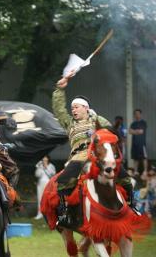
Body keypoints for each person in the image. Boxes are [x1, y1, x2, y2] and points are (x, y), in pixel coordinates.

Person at [52, 73, 134, 226]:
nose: (73, 110)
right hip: (79, 155)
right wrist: (59, 89)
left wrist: (101, 134)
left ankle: (131, 204)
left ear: (85, 107)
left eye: (76, 107)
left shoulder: (97, 119)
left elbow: (111, 133)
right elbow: (58, 109)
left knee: (125, 177)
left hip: (97, 154)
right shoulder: (69, 122)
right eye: (72, 108)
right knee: (63, 181)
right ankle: (64, 212)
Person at [34, 155, 56, 220]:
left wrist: (46, 167)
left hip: (48, 184)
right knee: (40, 199)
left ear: (48, 159)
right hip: (40, 184)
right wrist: (39, 168)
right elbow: (37, 174)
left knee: (48, 199)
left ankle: (48, 214)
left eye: (46, 159)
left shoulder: (51, 166)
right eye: (43, 159)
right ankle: (39, 214)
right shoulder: (40, 166)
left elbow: (53, 174)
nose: (44, 160)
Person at [129, 109, 148, 175]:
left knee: (144, 158)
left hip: (142, 144)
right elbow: (130, 131)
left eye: (138, 113)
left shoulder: (143, 123)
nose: (137, 115)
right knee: (135, 158)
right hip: (134, 143)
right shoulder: (133, 123)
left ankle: (145, 171)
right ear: (134, 115)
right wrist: (136, 131)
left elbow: (141, 131)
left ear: (140, 114)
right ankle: (135, 171)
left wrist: (134, 131)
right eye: (135, 114)